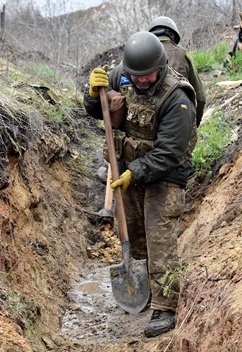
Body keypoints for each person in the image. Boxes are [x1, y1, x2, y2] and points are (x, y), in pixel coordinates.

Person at [83, 31, 197, 338]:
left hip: (165, 173)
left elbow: (170, 152)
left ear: (159, 67)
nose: (141, 81)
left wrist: (136, 171)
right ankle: (144, 287)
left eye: (146, 76)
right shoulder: (122, 75)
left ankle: (166, 306)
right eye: (136, 76)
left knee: (159, 234)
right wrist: (93, 95)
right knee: (136, 233)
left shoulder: (177, 97)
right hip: (130, 169)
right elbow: (99, 112)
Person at [148, 16, 206, 127]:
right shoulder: (182, 55)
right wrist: (194, 125)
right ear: (173, 35)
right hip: (176, 121)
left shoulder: (139, 54)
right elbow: (201, 97)